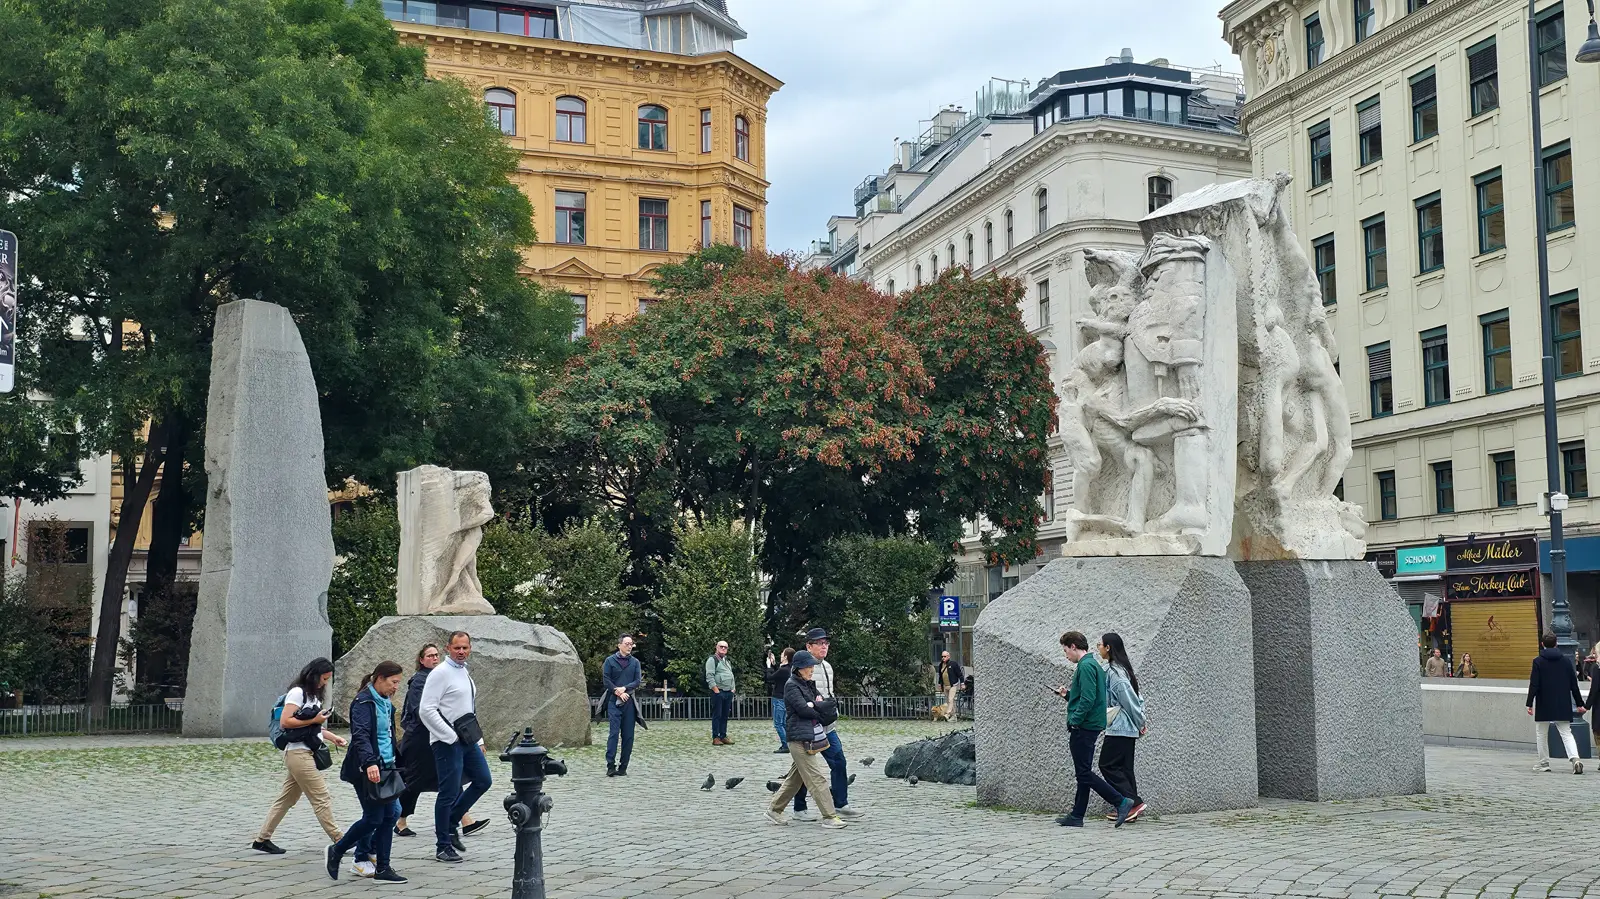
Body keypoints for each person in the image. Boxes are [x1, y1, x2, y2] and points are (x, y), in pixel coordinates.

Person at [253, 658, 349, 854]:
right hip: (298, 753)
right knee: (321, 797)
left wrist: (332, 737)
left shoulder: (313, 696)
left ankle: (262, 839)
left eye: (328, 679)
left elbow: (314, 727)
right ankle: (340, 840)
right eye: (324, 678)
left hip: (305, 751)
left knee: (287, 799)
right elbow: (285, 722)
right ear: (314, 675)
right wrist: (314, 719)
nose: (325, 683)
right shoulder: (297, 693)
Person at [326, 661, 408, 884]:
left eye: (398, 683)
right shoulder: (363, 702)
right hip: (367, 769)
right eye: (393, 682)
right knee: (375, 817)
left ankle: (381, 866)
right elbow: (361, 735)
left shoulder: (385, 701)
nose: (396, 687)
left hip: (386, 767)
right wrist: (370, 763)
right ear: (380, 678)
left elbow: (387, 734)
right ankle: (339, 850)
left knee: (391, 814)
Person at [394, 644, 482, 841]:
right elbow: (421, 710)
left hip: (439, 737)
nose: (434, 658)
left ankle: (464, 819)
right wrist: (446, 728)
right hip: (420, 741)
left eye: (436, 655)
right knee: (414, 782)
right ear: (421, 660)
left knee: (452, 777)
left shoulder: (444, 675)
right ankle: (400, 820)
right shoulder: (419, 680)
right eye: (429, 656)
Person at [419, 631, 493, 863]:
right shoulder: (440, 673)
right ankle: (443, 845)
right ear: (448, 648)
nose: (461, 651)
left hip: (467, 739)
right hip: (447, 742)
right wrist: (449, 736)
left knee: (483, 780)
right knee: (449, 792)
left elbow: (467, 709)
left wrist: (478, 740)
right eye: (457, 647)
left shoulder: (463, 671)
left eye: (465, 647)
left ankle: (451, 822)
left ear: (470, 648)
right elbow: (426, 709)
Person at [1053, 631, 1135, 828]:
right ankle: (1077, 815)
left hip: (1084, 726)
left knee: (1083, 773)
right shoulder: (1092, 665)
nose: (1066, 655)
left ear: (1073, 646)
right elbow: (1089, 696)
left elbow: (1088, 699)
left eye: (1065, 650)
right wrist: (1068, 695)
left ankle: (1121, 801)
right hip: (1089, 725)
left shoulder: (1086, 666)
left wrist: (1075, 720)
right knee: (1084, 772)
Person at [765, 650, 848, 828]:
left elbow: (826, 703)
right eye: (808, 667)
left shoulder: (808, 684)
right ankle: (829, 816)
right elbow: (803, 709)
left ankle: (774, 810)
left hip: (809, 735)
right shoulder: (791, 685)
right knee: (816, 778)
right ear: (799, 668)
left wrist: (815, 705)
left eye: (812, 666)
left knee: (795, 779)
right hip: (798, 738)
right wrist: (817, 707)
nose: (812, 670)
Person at [791, 628, 864, 821]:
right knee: (804, 768)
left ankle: (841, 803)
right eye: (819, 643)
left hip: (827, 726)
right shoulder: (801, 669)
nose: (824, 647)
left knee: (839, 761)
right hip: (809, 726)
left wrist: (832, 710)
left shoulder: (828, 667)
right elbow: (800, 696)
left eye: (826, 643)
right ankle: (799, 808)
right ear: (809, 646)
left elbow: (828, 693)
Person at [1097, 633, 1147, 823]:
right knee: (1125, 769)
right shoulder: (1118, 669)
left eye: (1100, 644)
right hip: (1126, 728)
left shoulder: (1116, 673)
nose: (1098, 648)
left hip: (1120, 727)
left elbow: (1131, 700)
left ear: (1108, 647)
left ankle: (1133, 802)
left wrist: (1141, 722)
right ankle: (1131, 810)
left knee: (1107, 765)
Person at [1528, 632, 1587, 774]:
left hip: (1544, 702)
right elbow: (1574, 684)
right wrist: (1580, 703)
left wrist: (1529, 703)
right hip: (1562, 702)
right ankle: (1575, 759)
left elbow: (1534, 684)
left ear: (1542, 644)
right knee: (1566, 733)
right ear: (1556, 644)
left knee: (1541, 733)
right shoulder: (1566, 661)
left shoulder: (1538, 661)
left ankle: (1544, 763)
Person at [602, 634, 643, 777]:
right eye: (627, 644)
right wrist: (616, 691)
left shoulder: (635, 662)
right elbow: (606, 680)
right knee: (613, 734)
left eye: (631, 644)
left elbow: (637, 681)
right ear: (619, 645)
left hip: (629, 703)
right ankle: (610, 766)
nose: (629, 646)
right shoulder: (610, 661)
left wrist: (624, 688)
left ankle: (623, 767)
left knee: (628, 736)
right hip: (614, 702)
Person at [705, 640, 736, 745]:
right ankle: (716, 737)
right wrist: (716, 691)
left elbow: (731, 674)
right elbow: (709, 676)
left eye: (725, 647)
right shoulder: (712, 660)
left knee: (725, 715)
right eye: (721, 646)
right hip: (719, 691)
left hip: (728, 692)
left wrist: (733, 688)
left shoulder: (726, 661)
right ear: (716, 647)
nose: (723, 648)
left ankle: (723, 735)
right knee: (717, 715)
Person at [767, 647, 795, 753]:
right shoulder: (790, 668)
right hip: (785, 698)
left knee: (778, 724)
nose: (781, 655)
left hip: (779, 698)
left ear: (786, 657)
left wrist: (768, 666)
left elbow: (770, 678)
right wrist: (774, 664)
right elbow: (777, 675)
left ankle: (785, 745)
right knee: (783, 723)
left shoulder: (784, 670)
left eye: (783, 654)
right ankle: (788, 743)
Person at [936, 650, 964, 721]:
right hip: (945, 685)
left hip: (953, 685)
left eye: (945, 656)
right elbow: (940, 676)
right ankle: (954, 716)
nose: (943, 658)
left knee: (950, 699)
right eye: (942, 656)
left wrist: (962, 683)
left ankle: (948, 714)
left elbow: (960, 674)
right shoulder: (941, 665)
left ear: (948, 656)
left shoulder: (953, 664)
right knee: (950, 701)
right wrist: (939, 684)